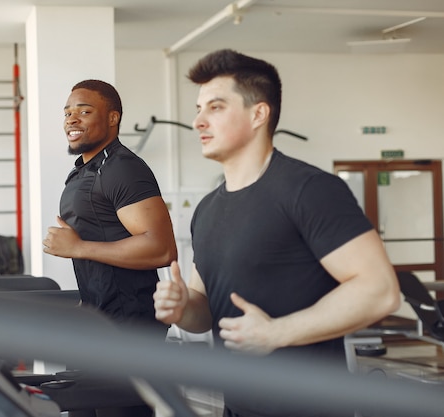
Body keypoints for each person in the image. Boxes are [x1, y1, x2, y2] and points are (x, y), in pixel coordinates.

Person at [153, 49, 400, 417]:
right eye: (198, 109)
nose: (198, 122)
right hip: (237, 406)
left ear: (258, 113)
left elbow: (380, 292)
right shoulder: (206, 210)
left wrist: (276, 333)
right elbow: (204, 309)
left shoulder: (310, 190)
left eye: (215, 107)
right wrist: (181, 306)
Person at [43, 79, 178, 417]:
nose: (72, 119)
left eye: (84, 111)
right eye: (67, 112)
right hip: (99, 324)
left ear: (113, 118)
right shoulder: (88, 169)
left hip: (127, 330)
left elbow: (162, 248)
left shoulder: (122, 169)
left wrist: (79, 247)